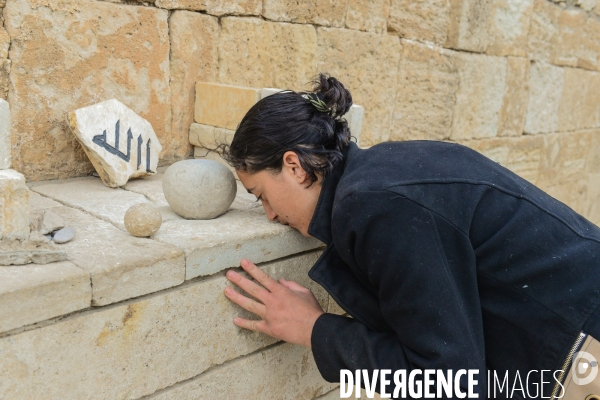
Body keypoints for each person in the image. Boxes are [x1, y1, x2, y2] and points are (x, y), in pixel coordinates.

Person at [218, 73, 600, 399]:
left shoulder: (376, 207)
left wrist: (316, 331)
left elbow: (450, 380)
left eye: (261, 196)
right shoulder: (380, 177)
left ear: (294, 166)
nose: (270, 215)